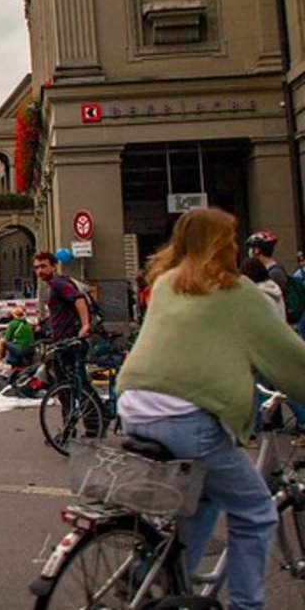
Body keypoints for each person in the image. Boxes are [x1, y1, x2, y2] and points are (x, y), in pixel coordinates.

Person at [118, 207, 305, 610]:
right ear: (221, 244)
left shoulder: (167, 282)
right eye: (233, 238)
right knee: (256, 512)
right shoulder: (237, 293)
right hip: (185, 418)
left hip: (133, 405)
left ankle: (168, 579)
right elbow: (291, 361)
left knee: (203, 495)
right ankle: (245, 606)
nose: (239, 246)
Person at [33, 250, 91, 342]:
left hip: (69, 340)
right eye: (37, 268)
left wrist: (85, 325)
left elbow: (78, 299)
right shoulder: (53, 285)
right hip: (62, 339)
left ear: (53, 267)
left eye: (43, 266)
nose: (40, 271)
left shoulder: (59, 283)